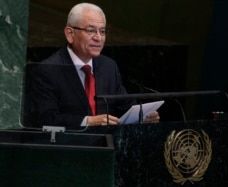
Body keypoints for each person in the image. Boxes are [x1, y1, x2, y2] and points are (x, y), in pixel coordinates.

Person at [26, 3, 159, 130]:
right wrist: (88, 121)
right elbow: (44, 118)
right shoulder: (48, 70)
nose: (98, 38)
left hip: (107, 146)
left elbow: (125, 107)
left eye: (102, 31)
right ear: (70, 34)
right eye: (90, 31)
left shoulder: (108, 66)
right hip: (69, 147)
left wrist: (142, 116)